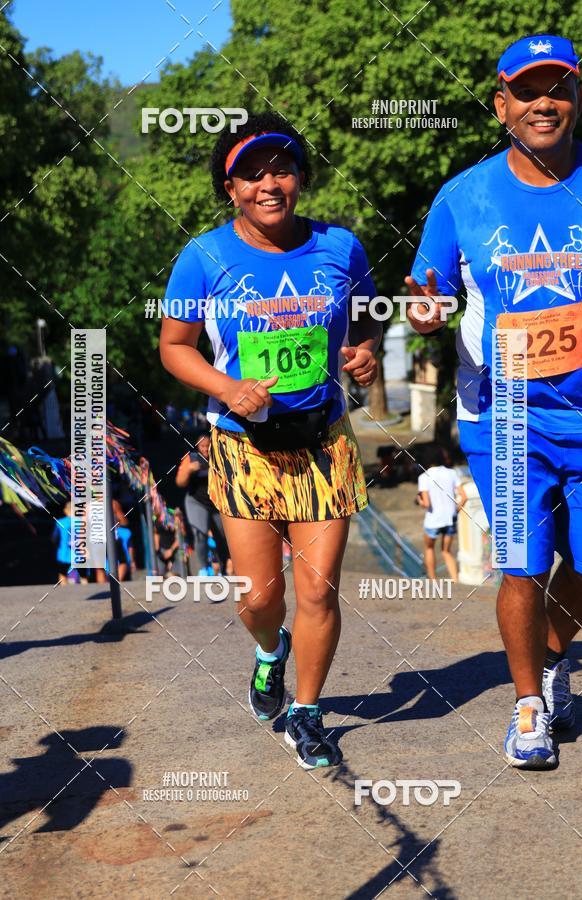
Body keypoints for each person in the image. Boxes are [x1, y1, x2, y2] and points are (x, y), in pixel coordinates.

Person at [160, 111, 381, 768]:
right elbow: (175, 348)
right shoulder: (203, 258)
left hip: (323, 443)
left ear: (301, 177)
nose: (269, 183)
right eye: (251, 173)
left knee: (318, 590)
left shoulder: (342, 248)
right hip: (242, 446)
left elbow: (366, 323)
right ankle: (268, 652)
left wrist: (366, 354)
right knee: (260, 597)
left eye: (281, 168)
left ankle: (308, 713)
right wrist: (227, 389)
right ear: (229, 187)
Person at [406, 34, 582, 769]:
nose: (543, 102)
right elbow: (430, 297)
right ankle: (527, 706)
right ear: (501, 107)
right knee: (521, 564)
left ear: (578, 98)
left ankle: (549, 657)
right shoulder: (464, 196)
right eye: (527, 91)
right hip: (506, 414)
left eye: (558, 88)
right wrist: (424, 314)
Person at [175, 433, 229, 576]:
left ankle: (223, 569)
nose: (205, 449)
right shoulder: (191, 458)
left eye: (208, 446)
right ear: (198, 447)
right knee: (200, 533)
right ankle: (205, 568)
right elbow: (180, 482)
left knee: (222, 537)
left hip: (216, 503)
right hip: (196, 501)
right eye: (202, 446)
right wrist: (189, 470)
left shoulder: (218, 456)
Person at [417, 446, 467, 581]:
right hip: (450, 518)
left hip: (433, 520)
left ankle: (433, 581)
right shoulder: (452, 473)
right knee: (446, 551)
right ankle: (456, 581)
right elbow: (464, 496)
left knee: (429, 548)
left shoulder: (424, 477)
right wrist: (455, 511)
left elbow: (426, 504)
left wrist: (419, 501)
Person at [52, 501, 74, 586]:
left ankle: (64, 594)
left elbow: (54, 538)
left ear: (66, 510)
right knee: (83, 576)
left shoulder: (60, 522)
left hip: (63, 554)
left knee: (62, 575)